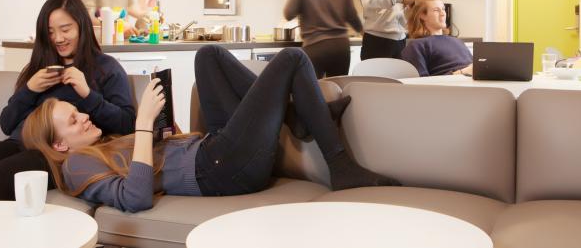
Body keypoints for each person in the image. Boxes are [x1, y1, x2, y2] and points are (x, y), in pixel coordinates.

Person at [22, 45, 400, 212]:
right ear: (59, 145)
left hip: (211, 151)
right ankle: (339, 165)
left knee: (209, 56)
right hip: (222, 169)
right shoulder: (76, 167)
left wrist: (166, 131)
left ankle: (293, 113)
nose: (85, 117)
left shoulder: (95, 148)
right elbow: (135, 197)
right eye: (73, 121)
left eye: (78, 112)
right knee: (293, 59)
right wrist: (142, 124)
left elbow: (159, 165)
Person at [0, 0, 136, 202]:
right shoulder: (38, 70)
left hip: (54, 155)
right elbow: (6, 123)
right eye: (50, 32)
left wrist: (87, 94)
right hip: (17, 144)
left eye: (65, 30)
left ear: (82, 27)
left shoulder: (106, 68)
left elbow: (128, 124)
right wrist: (30, 89)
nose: (58, 38)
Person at [401, 0, 472, 77]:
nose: (443, 14)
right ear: (422, 15)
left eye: (443, 9)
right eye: (436, 10)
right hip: (451, 88)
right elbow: (420, 84)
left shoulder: (457, 41)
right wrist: (462, 72)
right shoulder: (416, 46)